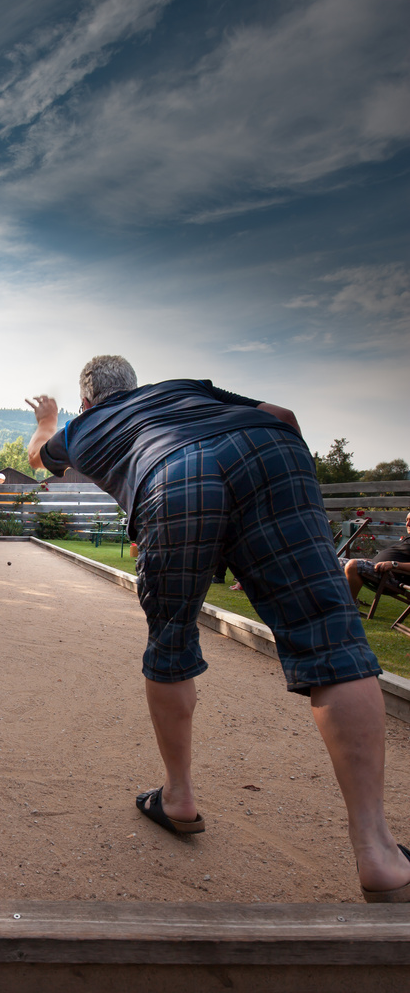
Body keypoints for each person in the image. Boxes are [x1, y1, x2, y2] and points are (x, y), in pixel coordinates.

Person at [26, 355, 410, 903]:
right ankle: (378, 853)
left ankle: (178, 797)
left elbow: (41, 458)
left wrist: (49, 418)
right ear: (136, 386)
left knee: (172, 638)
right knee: (331, 635)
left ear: (88, 401)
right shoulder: (186, 388)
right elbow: (283, 414)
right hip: (270, 448)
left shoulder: (86, 425)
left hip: (173, 476)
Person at [343, 511, 410, 601]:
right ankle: (329, 604)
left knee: (353, 565)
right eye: (407, 520)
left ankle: (348, 608)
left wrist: (394, 564)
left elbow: (394, 562)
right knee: (336, 563)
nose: (407, 524)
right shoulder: (407, 540)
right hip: (379, 569)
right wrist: (370, 560)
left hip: (391, 577)